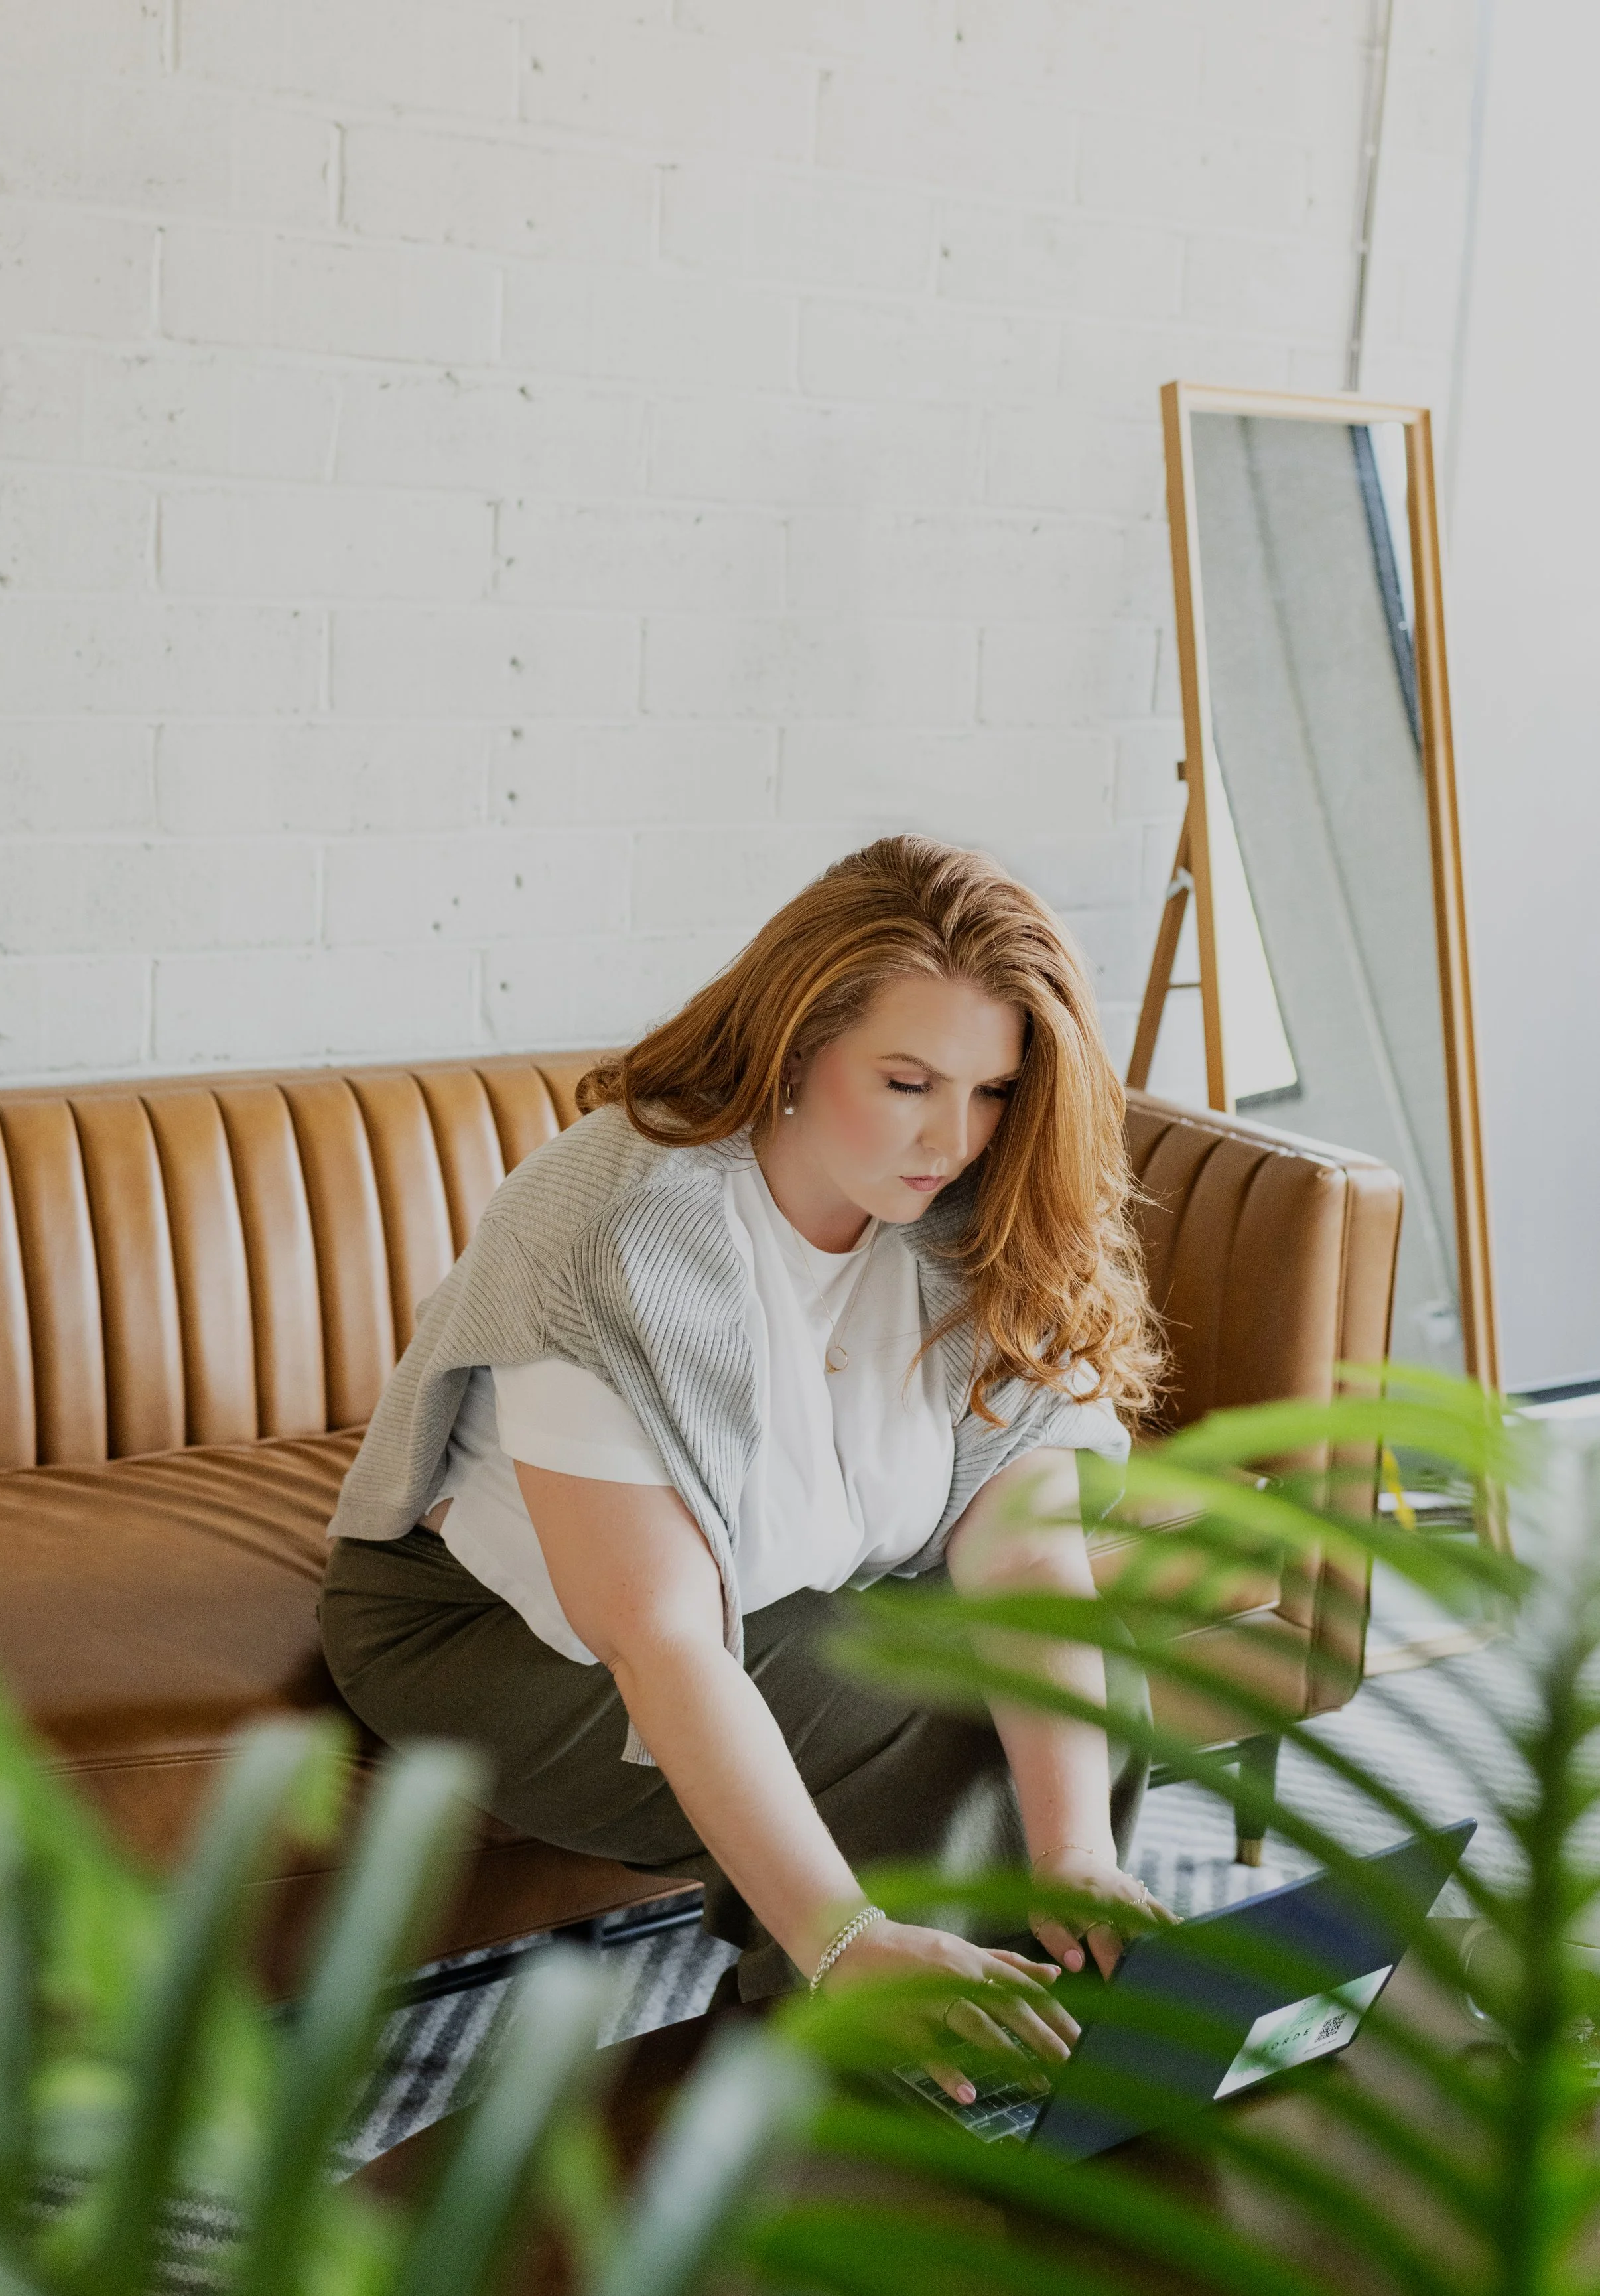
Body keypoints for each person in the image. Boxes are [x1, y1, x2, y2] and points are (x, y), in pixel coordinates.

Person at [320, 835, 1168, 2102]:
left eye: (992, 1092)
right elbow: (662, 1639)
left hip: (775, 1604)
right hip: (487, 1633)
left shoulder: (980, 1211)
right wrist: (844, 1942)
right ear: (793, 1041)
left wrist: (1077, 1849)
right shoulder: (618, 1230)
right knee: (902, 1713)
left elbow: (1026, 1550)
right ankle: (828, 2079)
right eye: (905, 1080)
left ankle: (1028, 2048)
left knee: (1078, 1704)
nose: (953, 1136)